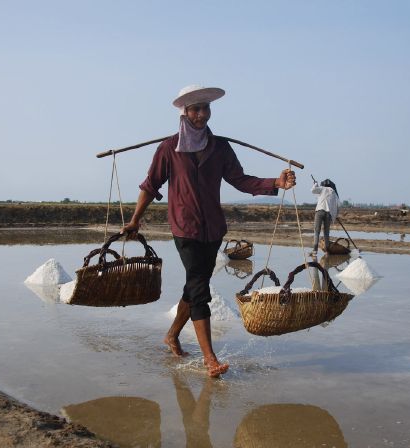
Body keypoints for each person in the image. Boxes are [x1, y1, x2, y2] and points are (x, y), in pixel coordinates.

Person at [122, 84, 296, 378]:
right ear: (184, 113)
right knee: (200, 289)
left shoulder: (219, 148)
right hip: (185, 227)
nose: (202, 114)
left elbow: (240, 180)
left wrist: (275, 183)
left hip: (213, 229)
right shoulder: (169, 149)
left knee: (194, 286)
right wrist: (134, 220)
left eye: (206, 108)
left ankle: (172, 335)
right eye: (196, 109)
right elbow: (150, 185)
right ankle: (210, 359)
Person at [310, 178, 339, 254]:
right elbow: (336, 206)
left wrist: (315, 184)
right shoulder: (334, 193)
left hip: (320, 211)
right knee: (326, 232)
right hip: (328, 214)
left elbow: (313, 190)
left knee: (317, 231)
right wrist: (334, 216)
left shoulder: (322, 188)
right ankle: (327, 250)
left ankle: (315, 250)